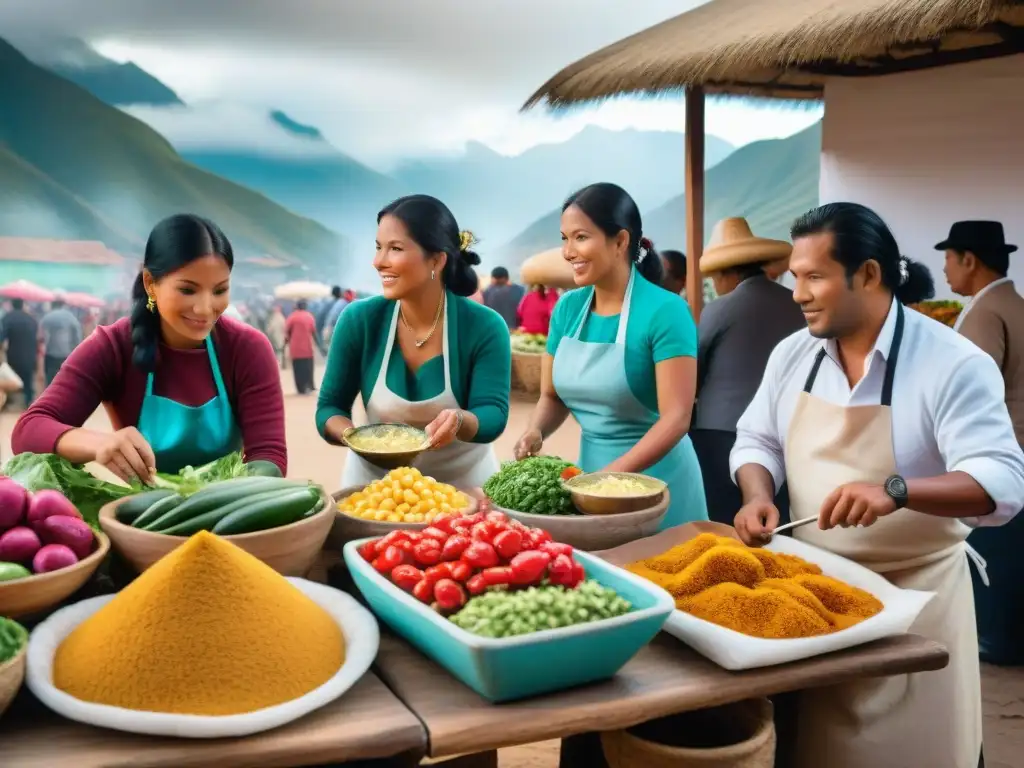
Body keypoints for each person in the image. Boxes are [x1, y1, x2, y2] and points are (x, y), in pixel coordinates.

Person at [731, 202, 1024, 768]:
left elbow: (1003, 481)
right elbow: (755, 441)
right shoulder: (792, 356)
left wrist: (896, 490)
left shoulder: (953, 363)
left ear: (867, 274)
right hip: (819, 606)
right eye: (796, 277)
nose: (798, 293)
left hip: (920, 613)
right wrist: (758, 495)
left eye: (814, 276)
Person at [11, 214, 287, 481]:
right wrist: (100, 444)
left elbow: (269, 454)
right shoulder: (113, 347)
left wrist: (234, 497)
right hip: (145, 522)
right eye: (188, 290)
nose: (205, 309)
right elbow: (30, 429)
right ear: (150, 284)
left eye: (219, 290)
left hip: (232, 517)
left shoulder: (248, 348)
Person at [514, 182, 707, 529]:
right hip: (593, 481)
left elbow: (676, 419)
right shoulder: (568, 310)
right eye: (564, 238)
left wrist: (610, 476)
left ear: (620, 241)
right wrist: (535, 431)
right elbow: (551, 396)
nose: (568, 251)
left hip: (659, 486)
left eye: (581, 237)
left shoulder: (666, 311)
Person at [317, 194, 511, 489]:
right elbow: (330, 408)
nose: (379, 262)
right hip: (375, 491)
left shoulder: (484, 326)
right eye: (378, 247)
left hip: (465, 491)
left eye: (395, 248)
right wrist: (355, 437)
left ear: (437, 259)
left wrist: (460, 421)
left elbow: (493, 413)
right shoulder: (359, 320)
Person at [940, 220, 1024, 667]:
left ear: (969, 259)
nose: (947, 271)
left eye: (949, 259)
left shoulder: (986, 312)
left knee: (998, 553)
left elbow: (973, 387)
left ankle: (994, 640)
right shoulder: (1016, 303)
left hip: (1001, 452)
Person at [691, 217, 803, 525]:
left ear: (727, 273)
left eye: (715, 277)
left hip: (720, 434)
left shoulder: (720, 308)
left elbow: (693, 372)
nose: (715, 285)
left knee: (727, 524)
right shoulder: (797, 304)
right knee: (775, 523)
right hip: (786, 432)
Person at [0, 299, 38, 406]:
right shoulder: (31, 318)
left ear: (12, 305)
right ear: (22, 305)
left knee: (12, 379)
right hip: (30, 354)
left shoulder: (7, 318)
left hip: (13, 355)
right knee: (28, 380)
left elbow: (2, 338)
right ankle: (28, 403)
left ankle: (10, 403)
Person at [39, 295, 83, 385]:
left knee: (50, 381)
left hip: (50, 355)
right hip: (67, 355)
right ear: (63, 305)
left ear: (52, 305)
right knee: (65, 381)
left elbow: (41, 338)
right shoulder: (71, 317)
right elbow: (77, 337)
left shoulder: (46, 317)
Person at [286, 300, 317, 395]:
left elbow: (287, 331)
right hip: (307, 348)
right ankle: (309, 386)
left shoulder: (292, 317)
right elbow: (313, 332)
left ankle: (300, 388)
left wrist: (286, 342)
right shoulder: (309, 316)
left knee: (298, 369)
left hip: (295, 349)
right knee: (308, 368)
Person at [265, 305, 287, 370]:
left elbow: (271, 328)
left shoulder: (276, 317)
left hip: (277, 336)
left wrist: (267, 331)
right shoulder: (281, 317)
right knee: (281, 350)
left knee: (279, 351)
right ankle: (282, 364)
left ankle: (279, 365)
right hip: (281, 336)